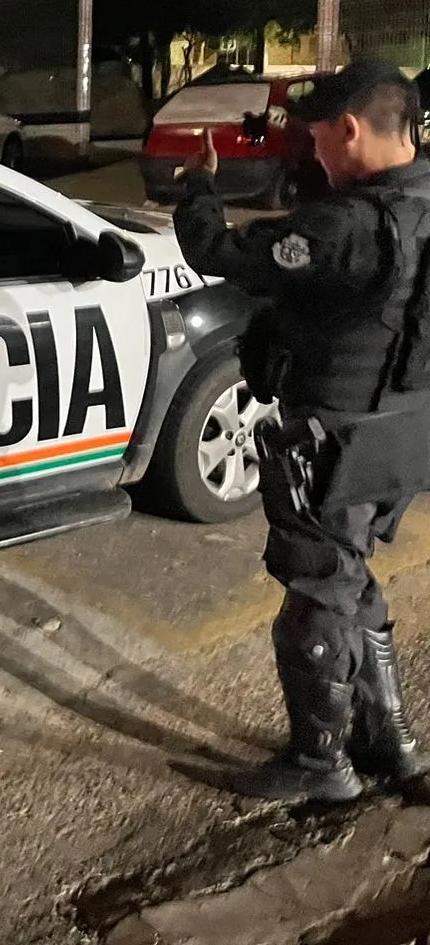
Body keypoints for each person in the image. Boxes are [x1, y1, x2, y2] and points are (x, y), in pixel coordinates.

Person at [173, 58, 430, 804]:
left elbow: (220, 254)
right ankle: (390, 741)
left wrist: (199, 187)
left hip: (335, 438)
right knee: (352, 579)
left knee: (314, 600)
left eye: (319, 136)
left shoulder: (346, 226)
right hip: (402, 434)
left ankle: (321, 764)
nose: (313, 151)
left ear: (350, 129)